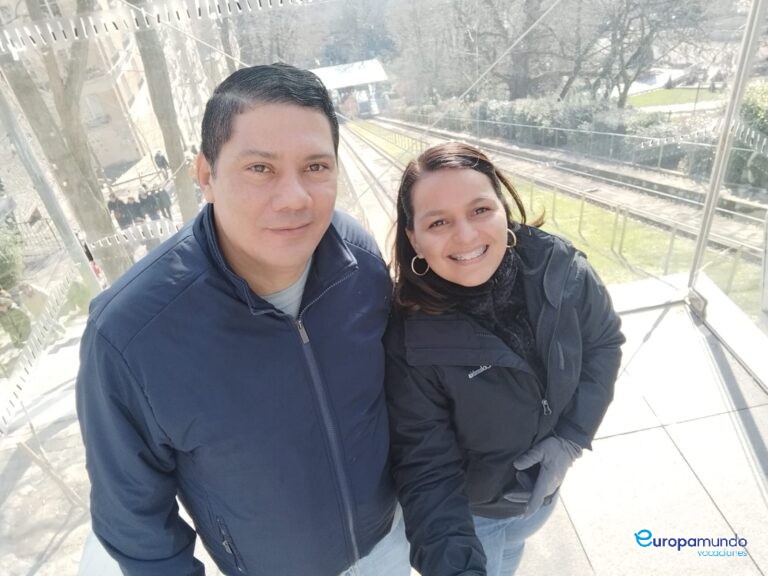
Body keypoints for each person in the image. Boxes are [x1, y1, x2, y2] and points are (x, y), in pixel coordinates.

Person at [76, 63, 409, 576]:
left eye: (316, 167)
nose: (295, 197)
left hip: (392, 543)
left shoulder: (358, 262)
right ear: (206, 175)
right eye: (261, 168)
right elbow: (134, 522)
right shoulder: (130, 335)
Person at [385, 142, 624, 576]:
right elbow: (428, 472)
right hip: (478, 520)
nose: (466, 236)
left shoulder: (561, 269)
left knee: (514, 553)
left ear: (503, 209)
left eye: (480, 210)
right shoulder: (409, 343)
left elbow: (604, 342)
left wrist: (571, 436)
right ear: (414, 239)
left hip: (541, 495)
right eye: (439, 222)